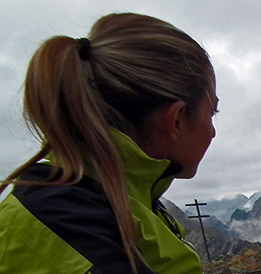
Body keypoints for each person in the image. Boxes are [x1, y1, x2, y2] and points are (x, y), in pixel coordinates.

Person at [0, 13, 217, 273]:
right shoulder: (82, 227)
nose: (213, 132)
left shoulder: (98, 200)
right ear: (177, 120)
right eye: (212, 112)